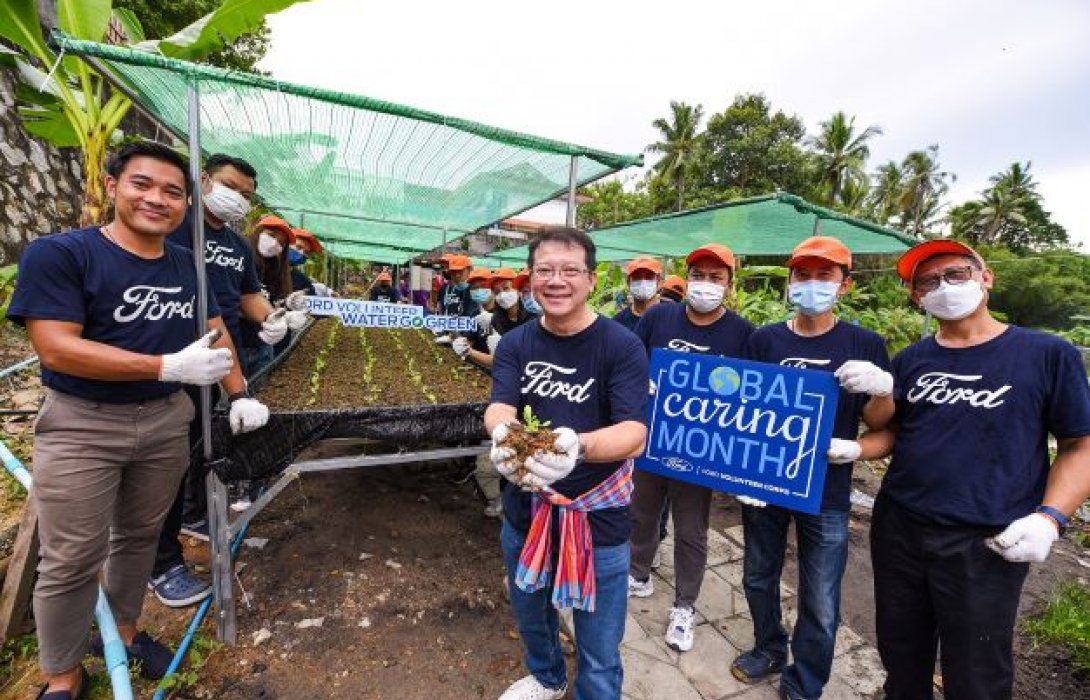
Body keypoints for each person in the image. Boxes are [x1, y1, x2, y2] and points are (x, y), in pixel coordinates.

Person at [6, 141, 269, 698]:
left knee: (140, 538)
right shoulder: (63, 254)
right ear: (112, 186)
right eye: (142, 184)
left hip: (163, 421)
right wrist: (165, 364)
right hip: (83, 424)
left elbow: (216, 324)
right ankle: (62, 674)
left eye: (172, 191)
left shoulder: (187, 266)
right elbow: (57, 348)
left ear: (186, 202)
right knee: (71, 556)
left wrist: (238, 391)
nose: (157, 199)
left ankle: (124, 633)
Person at [851, 240, 1090, 700]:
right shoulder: (913, 359)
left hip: (986, 541)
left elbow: (1079, 445)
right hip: (900, 525)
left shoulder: (1045, 354)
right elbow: (893, 429)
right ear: (916, 296)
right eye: (928, 281)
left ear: (986, 278)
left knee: (977, 672)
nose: (944, 286)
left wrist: (1051, 517)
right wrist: (859, 435)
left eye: (956, 273)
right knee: (901, 654)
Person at [730, 236, 895, 699]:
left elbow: (881, 423)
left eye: (825, 275)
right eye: (803, 275)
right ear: (791, 281)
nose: (812, 284)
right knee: (757, 575)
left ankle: (805, 681)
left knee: (821, 597)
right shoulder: (764, 339)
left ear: (844, 284)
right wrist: (737, 472)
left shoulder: (863, 342)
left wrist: (882, 389)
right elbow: (742, 410)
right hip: (765, 482)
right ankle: (768, 647)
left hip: (826, 490)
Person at [487, 227, 648, 700]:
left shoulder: (620, 346)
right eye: (545, 270)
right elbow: (500, 404)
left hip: (598, 521)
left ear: (592, 280)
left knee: (599, 640)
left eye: (570, 270)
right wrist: (501, 432)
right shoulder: (517, 343)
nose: (556, 280)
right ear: (530, 278)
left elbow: (634, 434)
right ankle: (548, 677)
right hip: (527, 511)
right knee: (531, 610)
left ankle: (595, 692)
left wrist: (576, 445)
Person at [153, 153, 285, 607]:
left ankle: (193, 517)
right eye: (232, 187)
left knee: (201, 439)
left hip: (218, 351)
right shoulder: (174, 227)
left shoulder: (236, 244)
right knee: (168, 456)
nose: (238, 199)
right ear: (204, 180)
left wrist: (270, 319)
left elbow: (244, 297)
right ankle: (163, 555)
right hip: (169, 354)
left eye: (247, 195)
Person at [627, 243, 755, 653]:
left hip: (700, 450)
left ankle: (685, 605)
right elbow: (631, 360)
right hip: (652, 438)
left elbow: (750, 395)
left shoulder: (742, 333)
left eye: (716, 278)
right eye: (698, 275)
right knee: (642, 513)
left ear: (729, 285)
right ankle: (638, 574)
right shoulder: (659, 317)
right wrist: (639, 385)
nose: (705, 284)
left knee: (691, 527)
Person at [453, 267, 530, 518]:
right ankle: (502, 501)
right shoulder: (495, 320)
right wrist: (466, 345)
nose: (502, 294)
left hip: (529, 392)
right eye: (497, 291)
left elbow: (501, 361)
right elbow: (503, 363)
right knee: (500, 454)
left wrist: (470, 354)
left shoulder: (534, 319)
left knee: (525, 455)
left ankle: (521, 501)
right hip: (509, 392)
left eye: (506, 289)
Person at [240, 215, 308, 377]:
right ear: (257, 232)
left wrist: (287, 305)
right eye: (271, 235)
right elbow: (234, 301)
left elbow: (271, 300)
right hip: (237, 344)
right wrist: (275, 317)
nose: (275, 243)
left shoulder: (275, 269)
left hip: (263, 346)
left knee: (258, 393)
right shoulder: (239, 257)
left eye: (281, 243)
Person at [612, 256, 663, 330]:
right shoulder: (618, 322)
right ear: (628, 282)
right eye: (637, 276)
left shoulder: (669, 317)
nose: (643, 281)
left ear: (658, 282)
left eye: (649, 276)